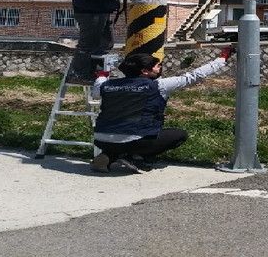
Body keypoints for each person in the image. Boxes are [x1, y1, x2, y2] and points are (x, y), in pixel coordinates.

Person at [91, 47, 236, 174]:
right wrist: (222, 58)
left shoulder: (108, 85)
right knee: (180, 135)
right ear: (145, 71)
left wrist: (101, 76)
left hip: (100, 139)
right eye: (157, 66)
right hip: (136, 140)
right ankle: (137, 158)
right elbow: (194, 76)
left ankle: (109, 155)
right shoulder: (159, 86)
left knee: (122, 134)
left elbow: (98, 85)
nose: (159, 68)